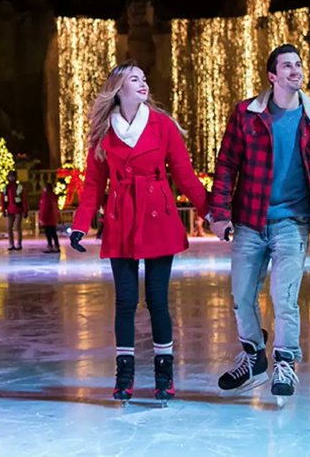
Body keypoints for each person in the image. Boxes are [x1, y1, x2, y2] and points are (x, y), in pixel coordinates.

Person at [207, 43, 310, 399]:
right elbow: (226, 166)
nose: (295, 70)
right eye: (287, 66)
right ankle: (254, 356)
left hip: (293, 223)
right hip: (249, 221)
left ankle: (285, 361)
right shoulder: (246, 115)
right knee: (242, 296)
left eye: (298, 64)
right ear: (272, 76)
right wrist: (220, 213)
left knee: (284, 297)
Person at [67, 61, 209, 402]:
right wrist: (79, 225)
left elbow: (186, 177)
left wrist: (214, 213)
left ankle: (165, 374)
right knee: (125, 302)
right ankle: (125, 374)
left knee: (158, 301)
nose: (143, 83)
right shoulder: (104, 133)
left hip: (158, 217)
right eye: (135, 79)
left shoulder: (163, 126)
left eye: (144, 78)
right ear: (119, 88)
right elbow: (93, 186)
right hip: (121, 219)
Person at [0, 170, 28, 251]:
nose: (11, 178)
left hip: (18, 209)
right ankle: (11, 244)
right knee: (9, 227)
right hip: (9, 210)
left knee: (17, 227)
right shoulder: (5, 188)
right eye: (10, 176)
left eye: (13, 176)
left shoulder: (19, 187)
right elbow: (2, 200)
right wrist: (3, 210)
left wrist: (25, 210)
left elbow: (24, 199)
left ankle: (18, 244)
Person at [38, 183, 61, 253]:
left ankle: (50, 245)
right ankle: (56, 245)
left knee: (48, 233)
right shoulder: (53, 196)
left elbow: (44, 208)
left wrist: (41, 218)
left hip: (47, 219)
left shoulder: (45, 196)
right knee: (53, 233)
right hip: (53, 218)